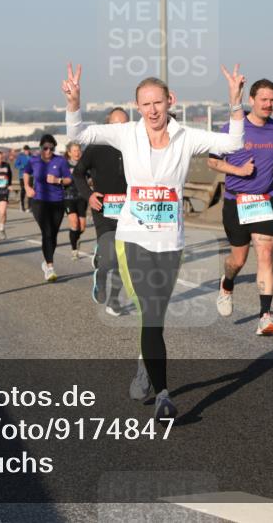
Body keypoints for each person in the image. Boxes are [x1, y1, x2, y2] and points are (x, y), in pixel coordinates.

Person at [64, 62, 245, 422]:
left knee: (156, 319)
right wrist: (74, 102)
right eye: (145, 104)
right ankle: (164, 396)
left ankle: (145, 365)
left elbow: (234, 143)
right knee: (149, 312)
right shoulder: (126, 134)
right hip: (133, 236)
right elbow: (80, 134)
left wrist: (236, 102)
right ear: (137, 107)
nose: (152, 110)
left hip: (170, 240)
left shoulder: (186, 136)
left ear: (169, 100)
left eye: (157, 102)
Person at [208, 78, 273, 336]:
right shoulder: (233, 126)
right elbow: (212, 162)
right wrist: (238, 170)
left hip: (265, 200)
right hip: (236, 201)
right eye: (263, 99)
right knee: (238, 260)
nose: (268, 104)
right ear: (251, 100)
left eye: (272, 100)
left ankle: (265, 316)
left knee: (265, 255)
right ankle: (227, 283)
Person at [73, 107, 130, 316]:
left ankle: (114, 300)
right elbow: (77, 173)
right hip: (104, 209)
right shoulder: (97, 147)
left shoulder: (136, 146)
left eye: (125, 124)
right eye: (117, 125)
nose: (122, 129)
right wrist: (88, 195)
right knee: (111, 256)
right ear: (108, 127)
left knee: (126, 259)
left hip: (130, 210)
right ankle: (101, 274)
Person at [23, 133, 73, 281]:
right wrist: (27, 187)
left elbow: (69, 179)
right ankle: (50, 267)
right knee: (47, 232)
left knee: (54, 234)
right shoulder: (34, 160)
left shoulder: (61, 161)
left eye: (51, 149)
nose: (48, 151)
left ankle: (46, 262)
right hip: (39, 201)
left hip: (57, 201)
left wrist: (58, 180)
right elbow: (26, 172)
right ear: (41, 148)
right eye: (45, 148)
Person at [63, 142, 89, 259]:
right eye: (74, 151)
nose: (77, 153)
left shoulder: (85, 165)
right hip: (68, 197)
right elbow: (59, 178)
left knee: (82, 227)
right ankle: (74, 249)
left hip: (82, 198)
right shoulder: (64, 165)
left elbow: (91, 178)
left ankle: (76, 238)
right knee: (74, 222)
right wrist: (62, 181)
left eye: (78, 150)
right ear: (69, 153)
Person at [14, 145, 32, 211]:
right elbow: (16, 165)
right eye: (25, 150)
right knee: (23, 190)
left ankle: (30, 206)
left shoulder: (32, 157)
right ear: (24, 151)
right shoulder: (20, 157)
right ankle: (22, 205)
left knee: (30, 190)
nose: (27, 151)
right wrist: (22, 166)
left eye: (28, 150)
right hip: (22, 176)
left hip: (31, 176)